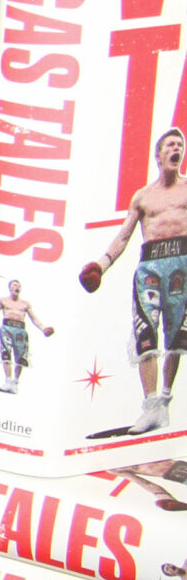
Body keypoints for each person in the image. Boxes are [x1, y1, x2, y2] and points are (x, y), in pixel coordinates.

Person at [81, 126, 187, 432]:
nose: (175, 148)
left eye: (179, 144)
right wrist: (100, 265)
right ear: (158, 154)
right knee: (146, 335)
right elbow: (124, 236)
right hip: (150, 269)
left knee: (177, 337)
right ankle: (150, 404)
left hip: (182, 265)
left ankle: (163, 402)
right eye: (170, 144)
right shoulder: (143, 196)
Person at [0, 279, 51, 393]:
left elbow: (34, 318)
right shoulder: (3, 301)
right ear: (10, 288)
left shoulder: (25, 304)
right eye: (15, 285)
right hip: (7, 328)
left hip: (20, 330)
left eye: (19, 285)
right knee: (6, 354)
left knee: (20, 357)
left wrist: (43, 328)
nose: (17, 287)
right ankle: (8, 380)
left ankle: (15, 382)